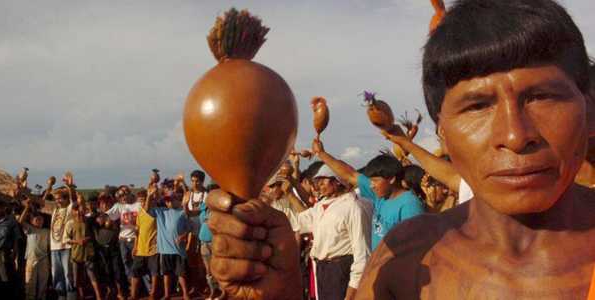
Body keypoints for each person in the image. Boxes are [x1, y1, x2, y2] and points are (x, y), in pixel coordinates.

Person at [202, 0, 595, 299]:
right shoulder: (405, 258)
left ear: (589, 107)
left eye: (543, 97)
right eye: (477, 106)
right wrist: (282, 290)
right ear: (443, 133)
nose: (515, 135)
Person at [312, 139, 424, 250]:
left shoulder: (410, 205)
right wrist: (321, 153)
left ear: (391, 179)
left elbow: (414, 247)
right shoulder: (380, 196)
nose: (371, 185)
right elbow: (350, 174)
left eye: (375, 181)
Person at [294, 165, 371, 300]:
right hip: (322, 269)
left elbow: (361, 252)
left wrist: (352, 290)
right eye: (318, 181)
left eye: (324, 180)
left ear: (337, 181)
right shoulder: (320, 206)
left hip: (340, 270)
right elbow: (298, 223)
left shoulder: (353, 208)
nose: (320, 185)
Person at [149, 185, 192, 300]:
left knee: (181, 274)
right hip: (164, 249)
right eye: (167, 201)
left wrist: (183, 235)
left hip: (178, 250)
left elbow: (189, 227)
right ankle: (167, 295)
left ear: (176, 200)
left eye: (171, 200)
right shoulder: (160, 211)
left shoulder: (182, 212)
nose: (169, 203)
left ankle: (185, 294)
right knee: (166, 274)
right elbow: (147, 208)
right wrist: (150, 195)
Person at [66, 200, 101, 300]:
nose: (78, 212)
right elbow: (66, 239)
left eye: (81, 210)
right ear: (73, 211)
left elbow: (94, 235)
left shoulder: (89, 220)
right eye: (76, 210)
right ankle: (81, 296)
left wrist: (87, 239)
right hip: (76, 253)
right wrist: (77, 241)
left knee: (92, 275)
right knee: (78, 278)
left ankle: (99, 297)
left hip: (89, 252)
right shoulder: (70, 223)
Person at [106, 185, 141, 284]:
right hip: (123, 239)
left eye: (126, 193)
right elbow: (107, 215)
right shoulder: (119, 206)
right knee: (126, 263)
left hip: (136, 238)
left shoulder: (138, 205)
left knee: (138, 263)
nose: (124, 196)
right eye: (121, 194)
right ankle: (132, 285)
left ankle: (146, 287)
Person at [130, 189, 159, 300]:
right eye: (140, 201)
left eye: (143, 200)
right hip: (140, 249)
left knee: (154, 272)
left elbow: (147, 207)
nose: (142, 203)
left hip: (153, 248)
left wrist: (150, 195)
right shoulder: (139, 213)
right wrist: (135, 247)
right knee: (135, 272)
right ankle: (133, 295)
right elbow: (138, 232)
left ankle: (153, 294)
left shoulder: (152, 212)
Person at [18, 201, 50, 300]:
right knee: (30, 284)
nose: (39, 221)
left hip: (44, 260)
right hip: (31, 260)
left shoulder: (47, 231)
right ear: (32, 221)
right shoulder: (29, 229)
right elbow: (20, 221)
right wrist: (27, 208)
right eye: (37, 219)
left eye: (41, 219)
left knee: (43, 284)